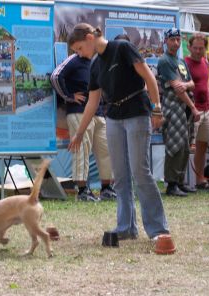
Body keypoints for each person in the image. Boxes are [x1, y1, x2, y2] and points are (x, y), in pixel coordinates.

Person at [67, 23, 170, 240]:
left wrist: (157, 108)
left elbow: (149, 78)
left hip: (137, 113)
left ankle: (158, 230)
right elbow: (92, 103)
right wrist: (78, 133)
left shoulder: (122, 47)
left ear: (89, 37)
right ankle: (126, 227)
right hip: (113, 118)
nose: (80, 54)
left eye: (79, 49)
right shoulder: (95, 65)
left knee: (140, 171)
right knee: (120, 176)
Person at [50, 53, 116, 201]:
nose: (80, 50)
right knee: (81, 150)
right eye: (78, 47)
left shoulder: (96, 60)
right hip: (79, 111)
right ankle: (82, 190)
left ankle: (107, 188)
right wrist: (69, 96)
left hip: (97, 112)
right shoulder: (74, 59)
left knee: (106, 149)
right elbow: (55, 77)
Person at [157, 28, 200, 197]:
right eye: (172, 39)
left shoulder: (181, 61)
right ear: (166, 41)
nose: (175, 43)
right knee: (174, 145)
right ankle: (171, 184)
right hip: (173, 106)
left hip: (184, 108)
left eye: (177, 39)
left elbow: (191, 84)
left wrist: (188, 85)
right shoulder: (165, 61)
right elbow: (177, 88)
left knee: (184, 146)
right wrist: (193, 107)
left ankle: (180, 182)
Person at [184, 33, 209, 191]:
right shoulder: (185, 62)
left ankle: (200, 180)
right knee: (187, 146)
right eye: (195, 48)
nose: (198, 51)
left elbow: (206, 81)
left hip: (206, 109)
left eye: (201, 48)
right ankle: (180, 181)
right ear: (189, 47)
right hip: (193, 110)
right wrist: (192, 107)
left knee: (203, 146)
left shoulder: (205, 61)